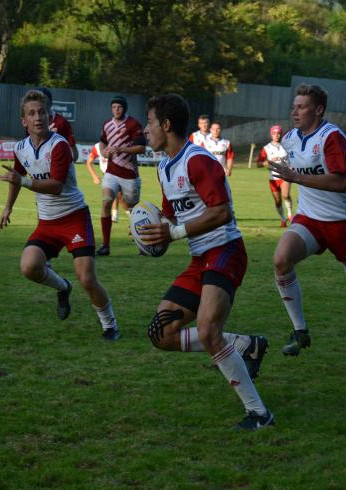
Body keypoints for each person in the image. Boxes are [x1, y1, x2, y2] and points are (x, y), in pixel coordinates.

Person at [139, 93, 273, 430]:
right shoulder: (164, 167)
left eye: (150, 122)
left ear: (166, 125)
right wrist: (152, 234)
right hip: (200, 258)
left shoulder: (198, 161)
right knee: (160, 333)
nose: (145, 129)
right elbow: (172, 218)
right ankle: (245, 345)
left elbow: (222, 212)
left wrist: (173, 233)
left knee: (208, 330)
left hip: (226, 250)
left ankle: (260, 414)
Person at [269, 83, 346, 363]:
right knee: (281, 259)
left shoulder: (332, 136)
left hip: (344, 224)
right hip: (310, 219)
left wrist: (296, 177)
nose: (294, 112)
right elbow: (292, 170)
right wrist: (288, 179)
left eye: (301, 107)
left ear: (318, 110)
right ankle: (300, 330)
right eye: (294, 106)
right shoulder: (289, 138)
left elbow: (339, 183)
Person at [0, 89, 120, 341]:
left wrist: (22, 181)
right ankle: (63, 287)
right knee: (29, 267)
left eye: (42, 112)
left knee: (87, 278)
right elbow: (16, 177)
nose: (38, 117)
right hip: (47, 223)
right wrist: (8, 207)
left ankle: (110, 325)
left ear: (49, 115)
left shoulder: (59, 145)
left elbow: (55, 186)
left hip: (74, 218)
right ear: (24, 121)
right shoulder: (20, 148)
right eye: (32, 113)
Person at [96, 95, 146, 256]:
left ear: (124, 108)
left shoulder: (133, 124)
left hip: (129, 174)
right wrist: (103, 151)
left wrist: (120, 149)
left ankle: (142, 244)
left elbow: (142, 148)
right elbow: (103, 141)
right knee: (106, 202)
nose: (116, 110)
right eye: (114, 107)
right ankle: (105, 245)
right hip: (111, 172)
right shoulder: (107, 124)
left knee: (134, 210)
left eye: (119, 107)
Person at [257, 125, 293, 227]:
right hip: (273, 178)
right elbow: (258, 164)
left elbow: (294, 158)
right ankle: (283, 219)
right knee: (278, 201)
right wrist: (266, 162)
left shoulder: (287, 146)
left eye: (278, 133)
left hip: (285, 175)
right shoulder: (266, 148)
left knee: (285, 195)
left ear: (281, 134)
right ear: (271, 134)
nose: (276, 135)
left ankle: (290, 215)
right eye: (274, 133)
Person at [32, 87, 78, 161]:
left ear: (51, 104)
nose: (41, 105)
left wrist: (64, 163)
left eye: (44, 102)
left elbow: (74, 154)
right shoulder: (31, 122)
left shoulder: (62, 122)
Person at [84, 142, 124, 222]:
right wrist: (94, 177)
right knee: (114, 192)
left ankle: (122, 213)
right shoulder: (97, 147)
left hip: (120, 172)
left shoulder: (117, 145)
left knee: (121, 195)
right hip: (107, 173)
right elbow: (89, 162)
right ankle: (115, 214)